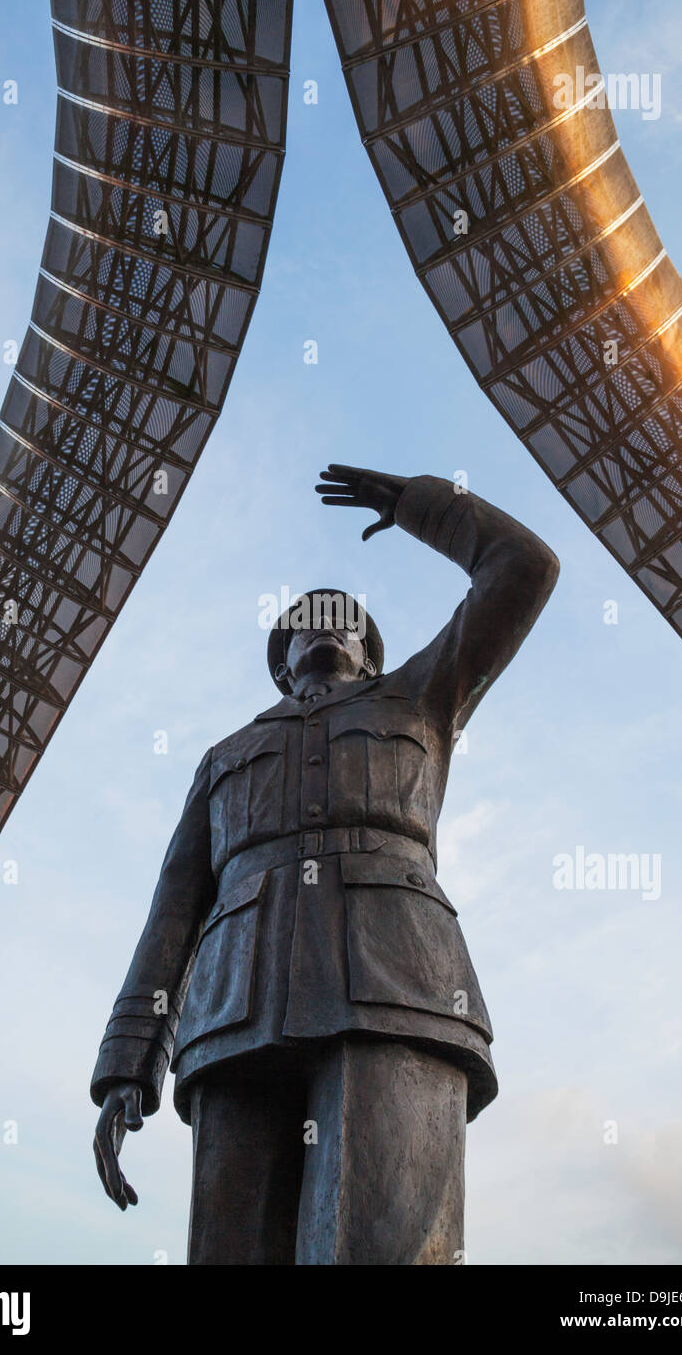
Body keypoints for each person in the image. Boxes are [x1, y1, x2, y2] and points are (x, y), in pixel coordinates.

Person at [91, 463, 559, 1264]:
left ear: (372, 655)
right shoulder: (224, 756)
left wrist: (427, 508)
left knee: (372, 1245)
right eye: (306, 620)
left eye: (341, 618)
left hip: (396, 988)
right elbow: (172, 914)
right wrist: (128, 1066)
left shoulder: (422, 698)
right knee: (229, 1252)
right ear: (281, 660)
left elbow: (525, 569)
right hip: (238, 1011)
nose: (324, 624)